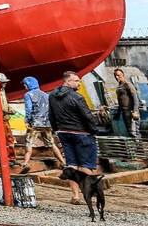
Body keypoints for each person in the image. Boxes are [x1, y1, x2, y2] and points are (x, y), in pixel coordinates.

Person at [49, 70, 101, 205]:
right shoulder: (77, 97)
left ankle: (75, 196)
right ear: (68, 82)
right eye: (77, 81)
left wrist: (57, 130)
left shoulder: (52, 96)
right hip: (82, 134)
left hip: (64, 133)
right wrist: (94, 130)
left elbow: (51, 115)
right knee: (86, 166)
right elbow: (87, 116)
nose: (79, 83)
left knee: (72, 165)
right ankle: (90, 195)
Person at [20, 76, 65, 173]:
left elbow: (29, 109)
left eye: (25, 84)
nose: (24, 86)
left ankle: (26, 163)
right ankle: (62, 162)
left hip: (35, 123)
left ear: (29, 84)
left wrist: (27, 121)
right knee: (51, 143)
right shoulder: (46, 95)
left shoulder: (28, 95)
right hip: (46, 123)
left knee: (29, 143)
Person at [113, 68, 141, 138]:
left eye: (118, 75)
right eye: (115, 76)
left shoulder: (127, 84)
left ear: (123, 75)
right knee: (130, 131)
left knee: (135, 132)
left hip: (131, 112)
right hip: (124, 112)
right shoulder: (118, 87)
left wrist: (135, 110)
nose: (117, 77)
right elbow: (120, 101)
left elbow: (135, 97)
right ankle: (135, 144)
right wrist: (118, 113)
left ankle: (138, 144)